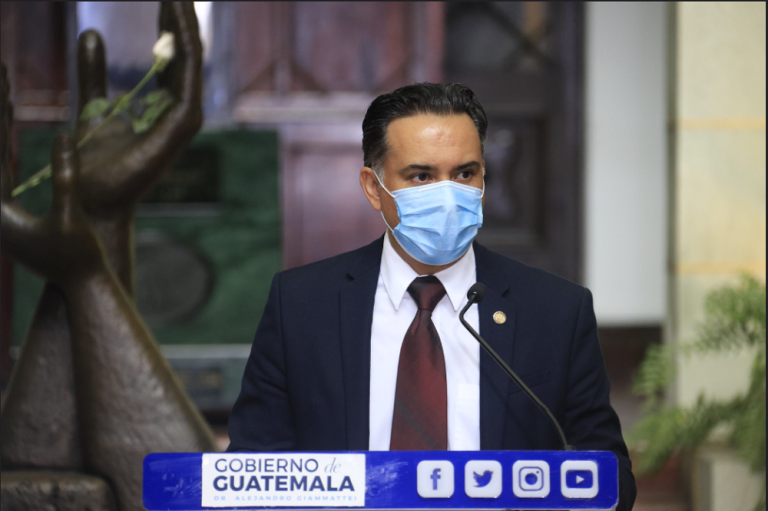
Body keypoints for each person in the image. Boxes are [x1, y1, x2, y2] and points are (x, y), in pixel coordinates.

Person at [227, 83, 636, 510]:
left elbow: (611, 478)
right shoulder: (301, 305)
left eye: (464, 174)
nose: (448, 196)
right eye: (421, 176)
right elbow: (252, 468)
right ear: (373, 187)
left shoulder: (555, 310)